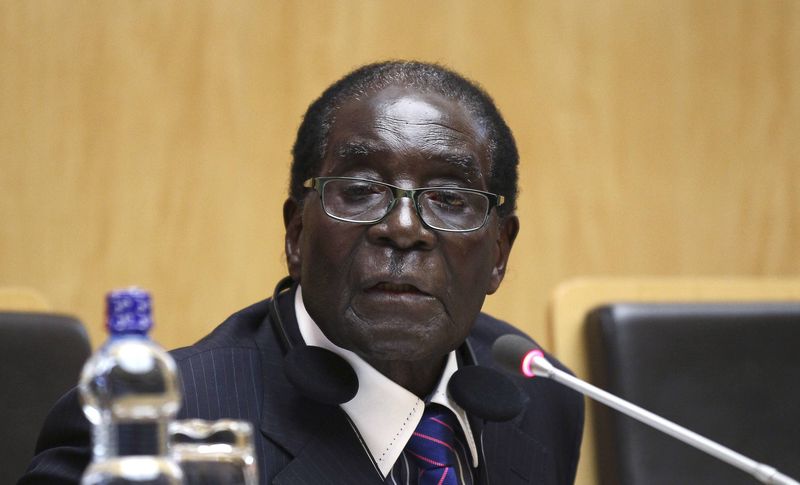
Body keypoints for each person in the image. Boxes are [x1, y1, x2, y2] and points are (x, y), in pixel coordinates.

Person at [20, 61, 583, 485]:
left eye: (449, 198)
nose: (404, 228)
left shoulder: (543, 396)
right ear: (295, 235)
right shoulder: (156, 431)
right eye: (361, 191)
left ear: (500, 252)